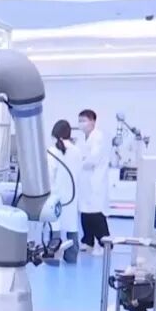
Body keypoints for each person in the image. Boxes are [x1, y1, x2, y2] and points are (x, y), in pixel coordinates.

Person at [77, 109, 111, 254]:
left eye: (84, 120)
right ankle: (88, 241)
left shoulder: (98, 137)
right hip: (85, 182)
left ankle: (105, 244)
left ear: (93, 121)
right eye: (80, 121)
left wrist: (81, 161)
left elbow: (93, 159)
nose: (81, 124)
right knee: (85, 213)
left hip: (95, 181)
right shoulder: (83, 139)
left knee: (96, 214)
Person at [48, 120, 82, 263]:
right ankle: (71, 257)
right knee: (72, 226)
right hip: (72, 195)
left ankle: (53, 257)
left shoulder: (52, 151)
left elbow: (49, 175)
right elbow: (78, 173)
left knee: (55, 225)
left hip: (55, 196)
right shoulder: (77, 151)